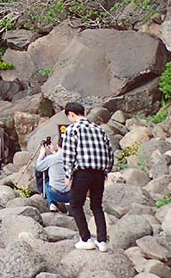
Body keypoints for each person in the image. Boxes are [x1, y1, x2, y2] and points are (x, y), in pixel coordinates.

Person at [61, 102, 114, 251]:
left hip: (82, 173)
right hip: (99, 173)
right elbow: (109, 152)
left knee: (76, 204)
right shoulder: (99, 129)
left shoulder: (72, 129)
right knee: (96, 206)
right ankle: (102, 241)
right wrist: (106, 171)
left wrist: (68, 175)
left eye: (69, 116)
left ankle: (86, 239)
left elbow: (69, 154)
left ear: (71, 114)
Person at [35, 136, 70, 213]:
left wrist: (42, 154)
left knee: (47, 183)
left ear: (58, 145)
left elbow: (38, 167)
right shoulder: (72, 158)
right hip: (70, 194)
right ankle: (69, 204)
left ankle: (52, 204)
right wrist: (54, 151)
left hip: (54, 193)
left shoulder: (51, 158)